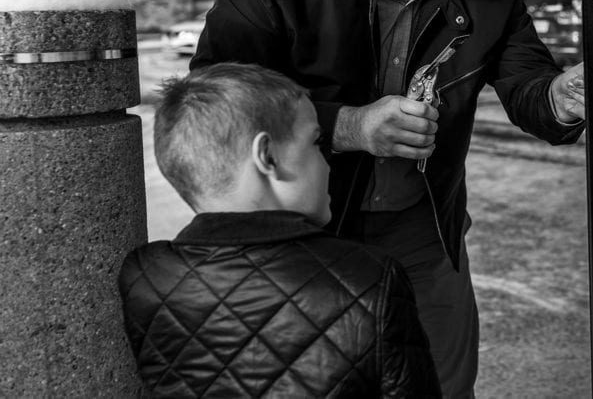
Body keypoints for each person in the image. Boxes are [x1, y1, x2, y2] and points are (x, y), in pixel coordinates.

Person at [191, 0, 587, 396]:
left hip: (425, 232)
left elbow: (528, 84)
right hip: (304, 235)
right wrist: (349, 126)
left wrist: (566, 95)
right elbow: (213, 100)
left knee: (444, 389)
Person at [118, 63, 441, 397]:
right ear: (267, 156)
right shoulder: (371, 279)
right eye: (316, 143)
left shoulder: (145, 276)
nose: (326, 162)